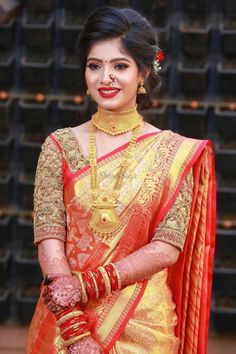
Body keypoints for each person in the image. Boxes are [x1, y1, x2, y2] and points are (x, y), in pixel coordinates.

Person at [26, 6, 216, 354]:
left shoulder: (174, 154)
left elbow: (167, 247)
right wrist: (74, 327)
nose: (105, 78)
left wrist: (85, 285)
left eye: (120, 66)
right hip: (66, 321)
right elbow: (49, 238)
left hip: (144, 324)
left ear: (143, 72)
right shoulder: (59, 146)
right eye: (94, 65)